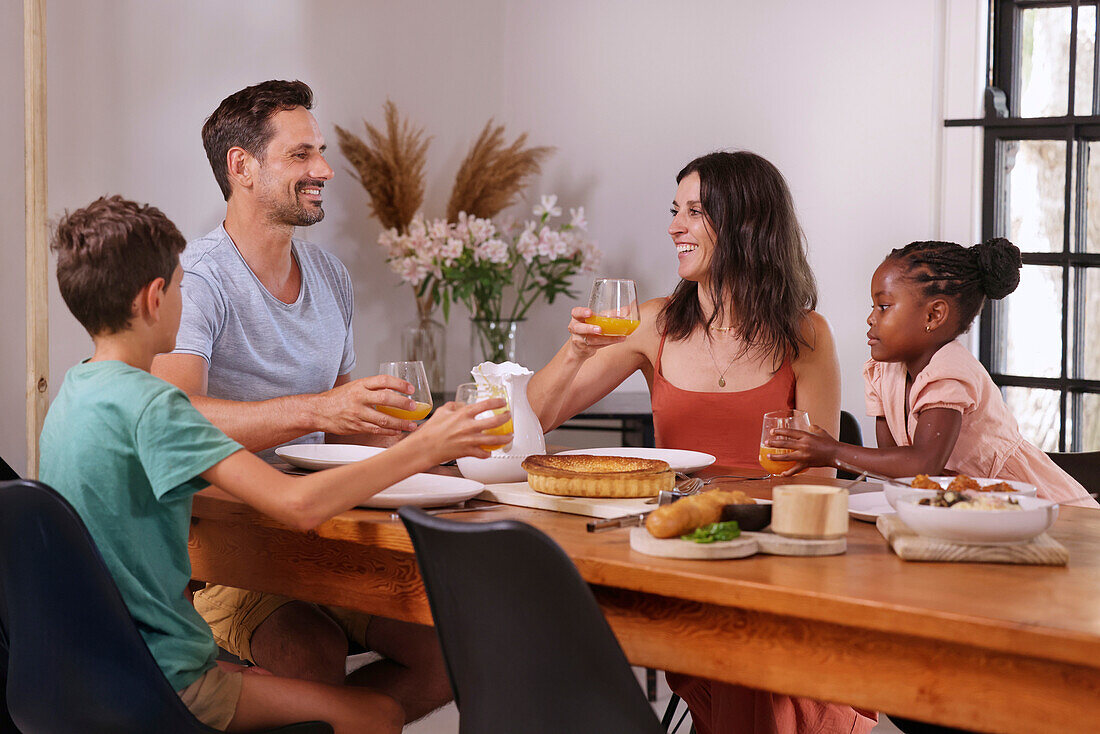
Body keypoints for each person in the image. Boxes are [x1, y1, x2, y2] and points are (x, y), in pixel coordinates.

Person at [40, 195, 510, 733]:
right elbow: (299, 504)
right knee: (377, 714)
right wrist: (423, 449)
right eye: (181, 288)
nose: (186, 301)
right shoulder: (154, 406)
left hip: (95, 667)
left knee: (331, 698)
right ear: (154, 299)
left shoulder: (76, 389)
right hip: (166, 677)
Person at [527, 151, 875, 734]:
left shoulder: (805, 334)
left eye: (694, 212)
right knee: (742, 655)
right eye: (675, 210)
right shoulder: (652, 324)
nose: (673, 227)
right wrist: (575, 351)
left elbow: (818, 480)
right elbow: (536, 416)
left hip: (777, 554)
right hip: (688, 556)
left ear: (744, 223)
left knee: (755, 654)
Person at [148, 80, 451, 720]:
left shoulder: (330, 276)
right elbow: (174, 419)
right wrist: (317, 409)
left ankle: (347, 723)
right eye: (301, 154)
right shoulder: (197, 280)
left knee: (453, 653)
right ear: (242, 167)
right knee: (310, 655)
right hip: (226, 550)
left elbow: (340, 424)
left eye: (320, 152)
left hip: (324, 534)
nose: (324, 170)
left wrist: (427, 438)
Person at [768, 238, 1097, 507]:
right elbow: (894, 465)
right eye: (873, 307)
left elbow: (924, 463)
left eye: (883, 306)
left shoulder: (950, 369)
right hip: (972, 511)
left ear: (934, 314)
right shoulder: (884, 371)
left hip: (1044, 511)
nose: (871, 318)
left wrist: (833, 452)